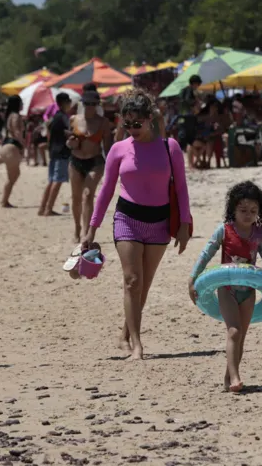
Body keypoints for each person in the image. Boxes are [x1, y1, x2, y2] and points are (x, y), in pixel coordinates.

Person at [83, 89, 191, 360]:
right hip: (127, 219)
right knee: (132, 281)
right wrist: (91, 228)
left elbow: (181, 187)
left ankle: (125, 334)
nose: (131, 129)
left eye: (136, 123)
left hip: (160, 222)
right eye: (126, 124)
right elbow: (106, 190)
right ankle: (137, 345)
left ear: (149, 119)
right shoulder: (119, 149)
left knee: (143, 285)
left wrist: (185, 224)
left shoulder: (170, 147)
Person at [188, 181, 262, 392]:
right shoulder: (224, 230)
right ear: (233, 209)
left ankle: (228, 378)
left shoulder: (259, 235)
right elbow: (206, 254)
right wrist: (193, 278)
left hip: (248, 291)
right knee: (233, 332)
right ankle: (236, 377)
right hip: (226, 289)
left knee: (241, 335)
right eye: (243, 210)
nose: (248, 215)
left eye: (253, 211)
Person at [67, 89, 111, 243]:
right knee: (76, 198)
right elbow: (69, 142)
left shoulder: (103, 123)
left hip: (95, 161)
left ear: (97, 105)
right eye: (86, 104)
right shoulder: (74, 119)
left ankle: (86, 232)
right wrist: (70, 143)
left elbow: (108, 147)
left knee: (88, 195)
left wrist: (113, 166)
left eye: (92, 104)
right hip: (76, 160)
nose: (89, 107)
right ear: (82, 104)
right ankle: (77, 228)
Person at [39, 93, 73, 216]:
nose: (70, 104)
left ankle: (42, 208)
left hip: (53, 151)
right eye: (69, 101)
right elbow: (67, 133)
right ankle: (48, 209)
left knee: (51, 180)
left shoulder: (54, 117)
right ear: (64, 102)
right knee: (57, 181)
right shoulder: (63, 117)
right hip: (61, 152)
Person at [0, 96, 25, 208]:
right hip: (12, 146)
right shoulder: (15, 116)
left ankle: (5, 200)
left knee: (13, 175)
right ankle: (4, 200)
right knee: (13, 176)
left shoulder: (9, 115)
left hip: (6, 145)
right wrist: (22, 145)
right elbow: (16, 131)